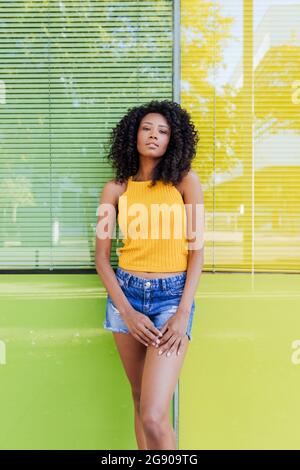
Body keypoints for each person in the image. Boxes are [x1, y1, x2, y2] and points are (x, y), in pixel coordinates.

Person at [95, 99, 204, 450]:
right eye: (147, 128)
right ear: (134, 135)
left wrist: (183, 312)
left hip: (171, 298)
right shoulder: (115, 189)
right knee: (140, 397)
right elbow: (101, 258)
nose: (154, 136)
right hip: (125, 295)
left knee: (155, 414)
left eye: (163, 131)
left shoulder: (186, 183)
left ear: (174, 139)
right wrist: (126, 311)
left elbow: (197, 252)